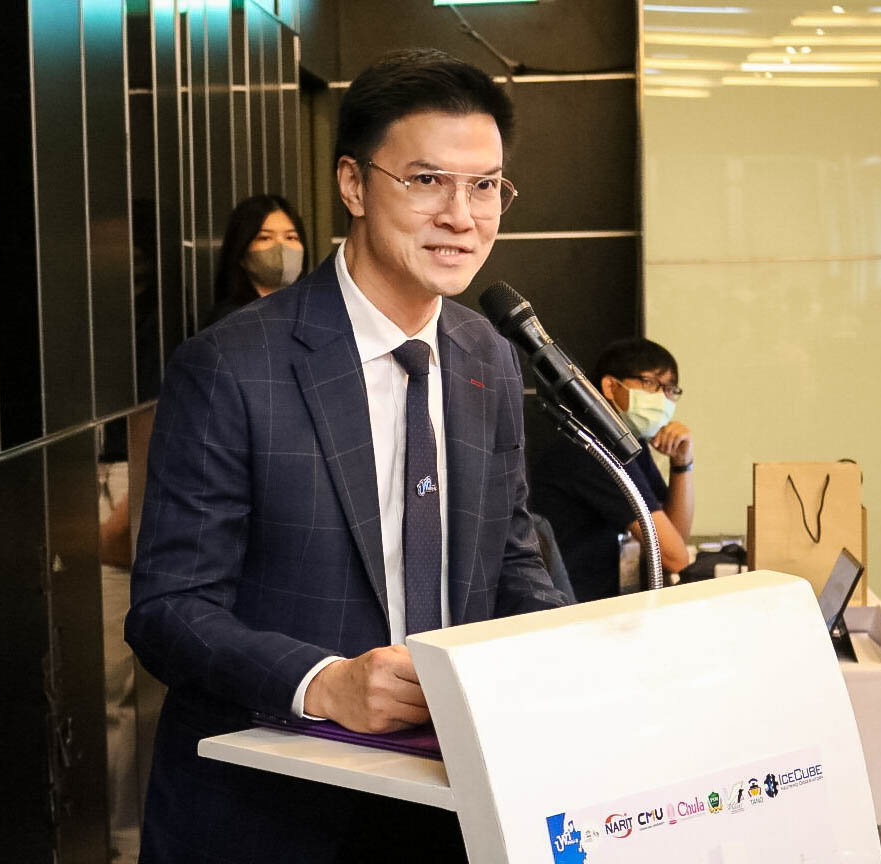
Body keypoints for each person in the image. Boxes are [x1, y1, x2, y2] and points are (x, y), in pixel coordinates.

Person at [125, 47, 566, 864]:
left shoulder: (487, 355)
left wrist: (573, 651)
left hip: (452, 802)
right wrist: (325, 682)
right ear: (354, 185)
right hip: (274, 815)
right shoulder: (232, 365)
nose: (462, 216)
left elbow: (508, 556)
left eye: (485, 186)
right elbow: (169, 611)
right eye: (427, 180)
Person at [530, 338, 695, 601]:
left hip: (608, 601)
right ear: (610, 386)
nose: (662, 398)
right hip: (571, 607)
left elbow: (675, 538)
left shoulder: (630, 444)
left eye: (670, 389)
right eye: (651, 383)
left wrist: (682, 463)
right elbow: (674, 556)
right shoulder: (593, 445)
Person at [202, 194, 308, 326]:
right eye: (265, 238)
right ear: (241, 250)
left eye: (291, 237)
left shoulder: (315, 310)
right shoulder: (228, 321)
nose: (282, 247)